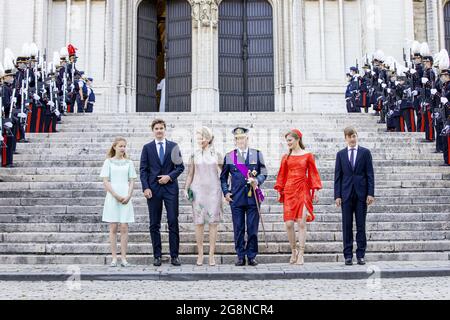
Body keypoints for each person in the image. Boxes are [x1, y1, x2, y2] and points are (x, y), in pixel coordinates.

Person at [140, 118, 185, 267]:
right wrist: (145, 187)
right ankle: (157, 256)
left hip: (170, 189)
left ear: (165, 130)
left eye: (161, 128)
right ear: (153, 131)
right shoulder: (147, 148)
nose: (159, 131)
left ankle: (174, 256)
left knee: (173, 221)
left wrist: (169, 177)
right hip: (153, 190)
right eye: (156, 129)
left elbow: (180, 167)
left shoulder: (174, 146)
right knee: (154, 223)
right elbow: (143, 170)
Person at [220, 127, 267, 266]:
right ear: (235, 140)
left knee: (252, 228)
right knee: (238, 228)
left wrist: (257, 180)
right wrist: (226, 192)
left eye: (242, 138)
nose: (240, 140)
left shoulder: (257, 154)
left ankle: (251, 255)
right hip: (236, 198)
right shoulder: (230, 156)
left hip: (253, 198)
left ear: (247, 139)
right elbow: (223, 178)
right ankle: (240, 256)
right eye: (237, 138)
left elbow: (264, 172)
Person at [274, 129, 322, 265]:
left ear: (297, 140)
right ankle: (293, 250)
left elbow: (313, 173)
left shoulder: (308, 155)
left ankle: (301, 252)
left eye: (290, 140)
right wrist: (279, 188)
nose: (288, 143)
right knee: (289, 224)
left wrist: (316, 190)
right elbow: (282, 174)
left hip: (303, 189)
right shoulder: (286, 157)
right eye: (287, 141)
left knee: (301, 222)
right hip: (289, 190)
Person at [334, 127, 375, 266]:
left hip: (361, 194)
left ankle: (361, 254)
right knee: (347, 225)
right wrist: (337, 195)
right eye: (349, 136)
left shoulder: (365, 152)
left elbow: (370, 174)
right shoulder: (340, 154)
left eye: (354, 136)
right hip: (345, 194)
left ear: (357, 136)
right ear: (345, 138)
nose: (352, 139)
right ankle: (348, 255)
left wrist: (370, 193)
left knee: (361, 225)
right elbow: (337, 176)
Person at [184, 126, 223, 266]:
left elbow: (224, 173)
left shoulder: (217, 154)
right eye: (198, 137)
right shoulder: (194, 155)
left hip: (214, 191)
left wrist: (227, 189)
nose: (200, 139)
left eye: (202, 136)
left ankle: (211, 255)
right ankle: (200, 254)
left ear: (209, 138)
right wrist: (185, 188)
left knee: (213, 223)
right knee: (199, 222)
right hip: (198, 191)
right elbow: (190, 174)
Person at [100, 137, 137, 267]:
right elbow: (105, 181)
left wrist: (129, 195)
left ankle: (124, 258)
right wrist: (115, 195)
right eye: (120, 146)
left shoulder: (129, 162)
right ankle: (114, 258)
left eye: (124, 146)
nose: (122, 148)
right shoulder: (108, 162)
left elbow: (132, 180)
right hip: (112, 196)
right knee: (113, 227)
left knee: (124, 226)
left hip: (126, 196)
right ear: (114, 147)